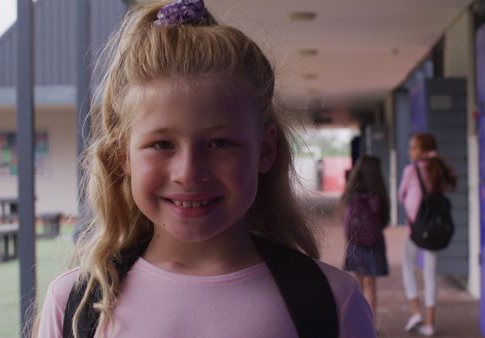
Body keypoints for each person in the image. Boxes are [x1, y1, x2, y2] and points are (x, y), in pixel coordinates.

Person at [35, 1, 375, 337]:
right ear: (124, 156)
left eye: (219, 143)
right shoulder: (75, 305)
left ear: (266, 150)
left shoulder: (331, 302)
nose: (189, 172)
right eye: (162, 144)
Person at [398, 133, 457, 336]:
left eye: (413, 148)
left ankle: (416, 311)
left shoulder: (411, 171)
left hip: (416, 230)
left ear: (423, 151)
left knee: (408, 267)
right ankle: (430, 323)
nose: (410, 151)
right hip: (434, 230)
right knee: (430, 273)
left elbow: (401, 196)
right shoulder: (436, 169)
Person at [340, 156, 390, 324]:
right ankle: (371, 326)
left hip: (355, 243)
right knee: (370, 286)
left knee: (358, 285)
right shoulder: (378, 195)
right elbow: (384, 220)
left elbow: (345, 219)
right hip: (373, 243)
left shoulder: (351, 193)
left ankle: (358, 324)